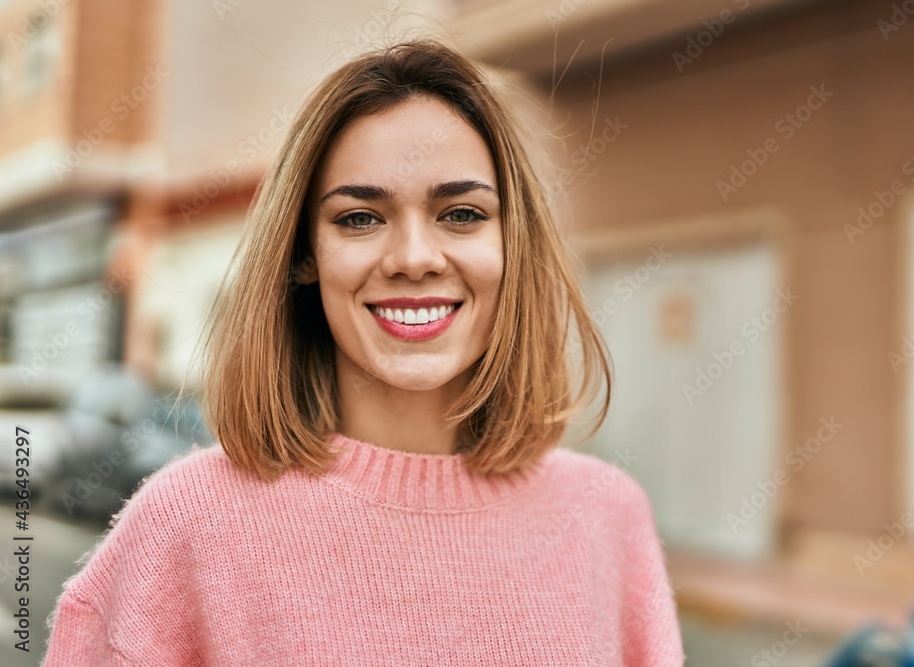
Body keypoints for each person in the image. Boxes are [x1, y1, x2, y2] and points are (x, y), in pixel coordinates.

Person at [42, 38, 685, 666]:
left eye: (461, 213)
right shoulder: (185, 525)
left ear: (514, 246)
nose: (413, 258)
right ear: (303, 258)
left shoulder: (608, 516)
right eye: (359, 218)